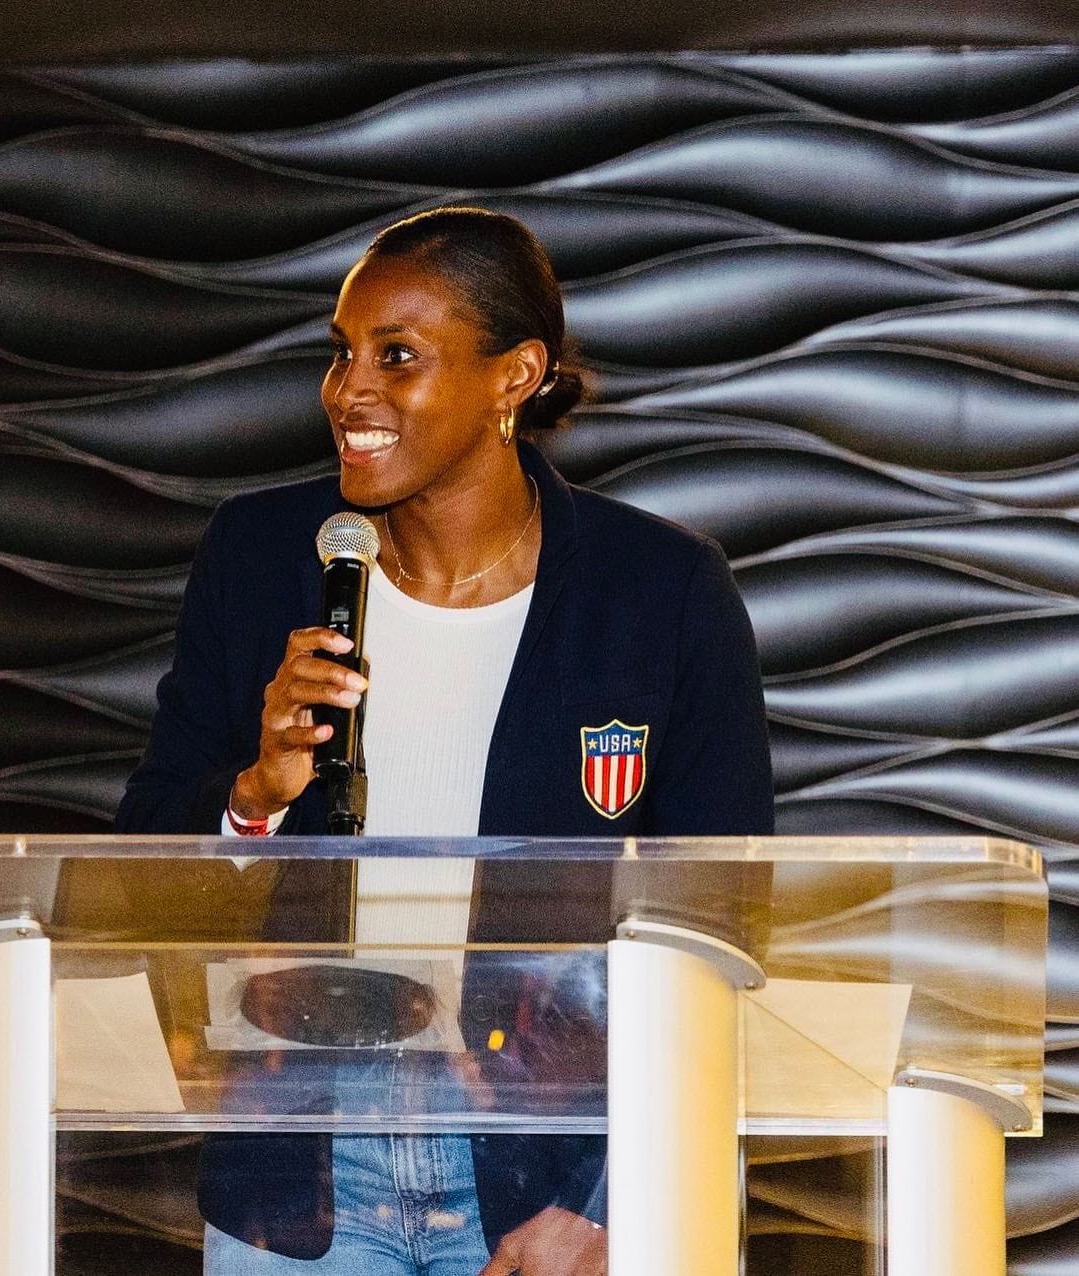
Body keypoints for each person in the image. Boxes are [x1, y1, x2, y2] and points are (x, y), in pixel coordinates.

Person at [116, 206, 774, 1275]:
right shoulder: (258, 556)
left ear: (514, 375)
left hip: (552, 1159)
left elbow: (716, 923)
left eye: (396, 356)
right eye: (340, 354)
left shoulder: (659, 592)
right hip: (302, 1165)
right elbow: (143, 855)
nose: (348, 391)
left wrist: (607, 1193)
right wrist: (258, 784)